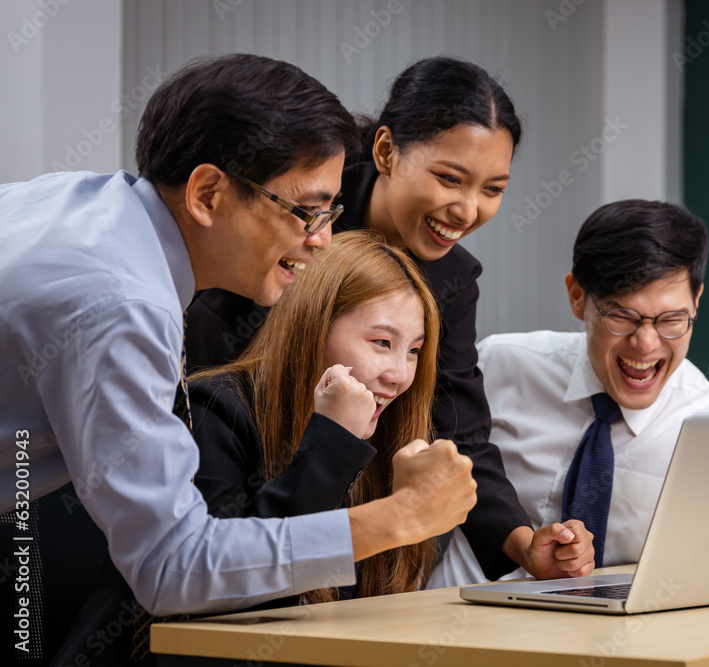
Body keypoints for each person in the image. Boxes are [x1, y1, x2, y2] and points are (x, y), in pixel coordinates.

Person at [0, 53, 477, 626]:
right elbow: (172, 569)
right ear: (207, 194)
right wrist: (401, 517)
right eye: (307, 212)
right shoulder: (123, 306)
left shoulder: (75, 202)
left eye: (332, 214)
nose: (322, 241)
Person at [186, 56, 595, 582]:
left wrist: (525, 546)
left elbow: (462, 431)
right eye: (450, 178)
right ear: (384, 151)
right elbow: (211, 371)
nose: (467, 210)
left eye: (492, 190)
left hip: (346, 514)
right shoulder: (297, 218)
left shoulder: (451, 281)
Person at [427, 199, 709, 587]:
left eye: (672, 319)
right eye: (623, 316)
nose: (646, 344)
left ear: (697, 302)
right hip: (451, 624)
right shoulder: (500, 366)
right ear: (578, 297)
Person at [191, 231, 443, 602]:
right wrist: (333, 441)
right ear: (315, 326)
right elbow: (239, 586)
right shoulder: (215, 407)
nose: (400, 375)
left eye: (413, 350)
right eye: (382, 343)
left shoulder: (390, 435)